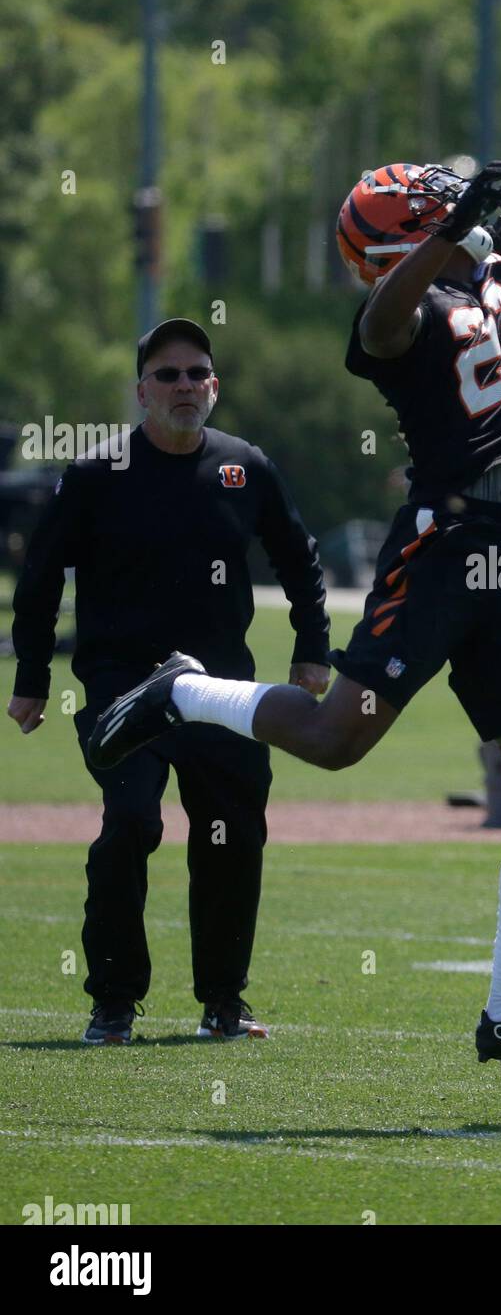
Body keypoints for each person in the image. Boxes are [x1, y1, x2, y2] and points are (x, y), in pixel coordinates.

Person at [87, 3, 501, 1075]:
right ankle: (180, 690)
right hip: (441, 543)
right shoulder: (392, 318)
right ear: (407, 232)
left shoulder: (487, 275)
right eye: (440, 208)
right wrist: (449, 231)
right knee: (337, 735)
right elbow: (388, 313)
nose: (469, 211)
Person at [8, 318, 330, 1044]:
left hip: (224, 692)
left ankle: (223, 1001)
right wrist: (31, 677)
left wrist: (313, 649)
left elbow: (301, 561)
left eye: (196, 374)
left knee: (231, 835)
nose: (184, 386)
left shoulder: (245, 467)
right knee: (131, 824)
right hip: (125, 687)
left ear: (213, 387)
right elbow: (39, 578)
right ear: (141, 391)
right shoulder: (95, 476)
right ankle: (114, 1001)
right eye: (168, 375)